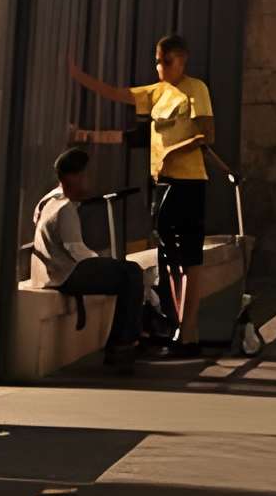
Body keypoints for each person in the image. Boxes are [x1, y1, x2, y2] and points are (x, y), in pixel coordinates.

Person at [69, 32, 215, 358]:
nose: (162, 68)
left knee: (189, 257)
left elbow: (207, 134)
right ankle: (178, 325)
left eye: (168, 61)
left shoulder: (196, 89)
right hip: (162, 183)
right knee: (168, 254)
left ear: (182, 60)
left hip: (188, 182)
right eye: (158, 62)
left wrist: (171, 153)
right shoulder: (158, 92)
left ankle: (188, 330)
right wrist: (79, 77)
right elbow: (118, 94)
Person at [29, 147, 145, 373]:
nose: (89, 180)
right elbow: (77, 252)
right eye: (85, 174)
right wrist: (102, 260)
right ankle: (123, 345)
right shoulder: (65, 209)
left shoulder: (49, 201)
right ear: (74, 177)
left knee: (125, 271)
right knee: (131, 273)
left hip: (48, 271)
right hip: (64, 274)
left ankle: (124, 341)